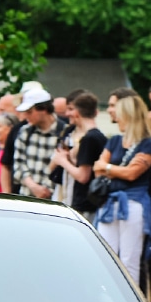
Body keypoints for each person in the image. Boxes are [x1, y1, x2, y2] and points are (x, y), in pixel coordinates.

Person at [92, 95, 151, 285]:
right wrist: (117, 170)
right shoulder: (114, 141)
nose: (116, 118)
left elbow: (132, 174)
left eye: (120, 114)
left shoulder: (148, 143)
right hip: (110, 203)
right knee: (105, 257)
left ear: (129, 115)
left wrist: (109, 168)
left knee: (129, 260)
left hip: (133, 203)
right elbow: (97, 169)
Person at [48, 91, 107, 219]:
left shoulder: (89, 138)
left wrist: (62, 160)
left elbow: (83, 176)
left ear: (77, 112)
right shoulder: (98, 136)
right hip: (85, 202)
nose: (67, 113)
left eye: (70, 109)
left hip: (84, 204)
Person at [12, 88, 66, 199]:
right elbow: (18, 164)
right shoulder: (25, 131)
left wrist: (46, 189)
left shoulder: (63, 132)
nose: (26, 116)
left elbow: (62, 168)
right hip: (26, 197)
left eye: (30, 112)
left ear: (44, 109)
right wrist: (34, 187)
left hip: (54, 199)